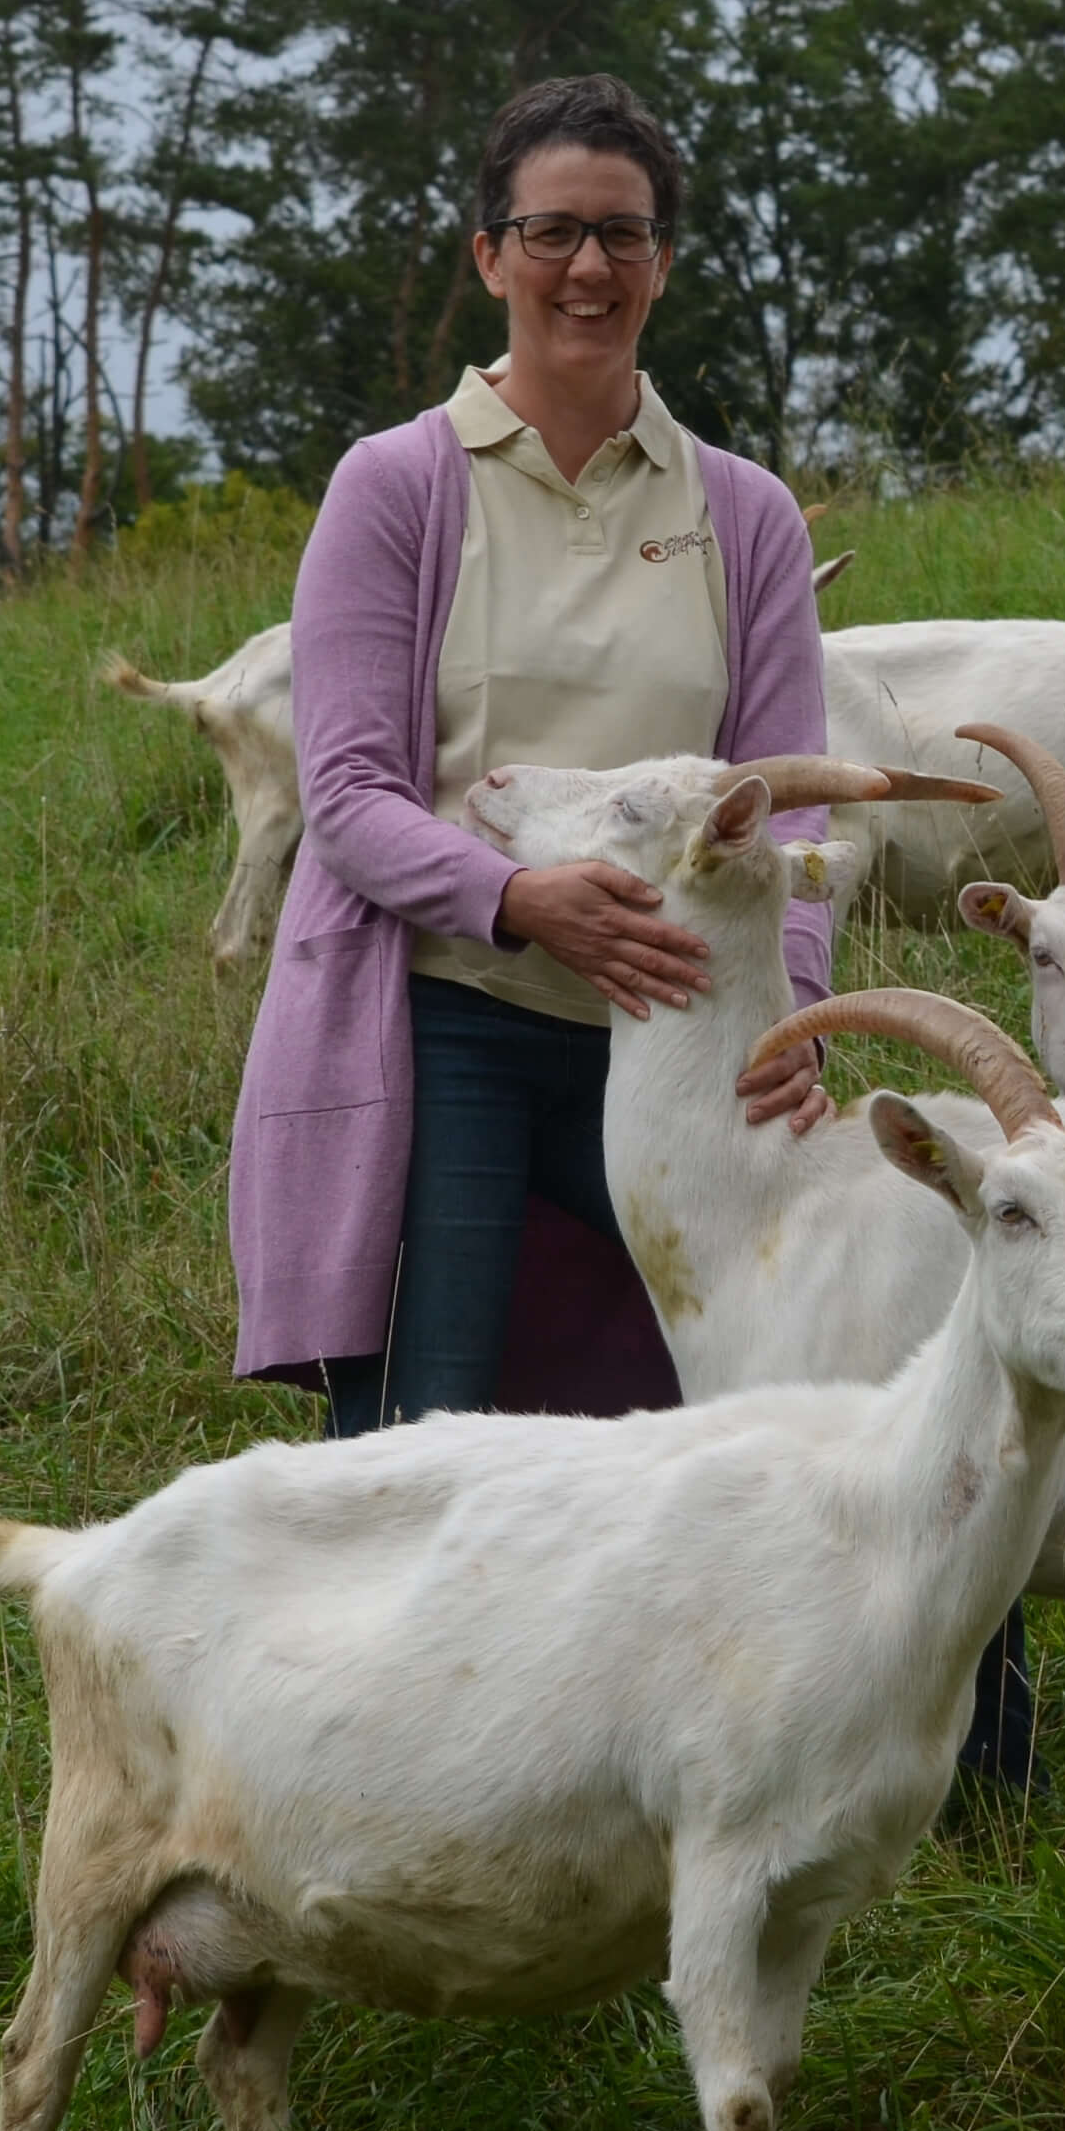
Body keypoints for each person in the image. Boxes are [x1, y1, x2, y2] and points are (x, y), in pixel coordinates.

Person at [225, 73, 837, 1436]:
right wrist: (518, 900)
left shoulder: (745, 514)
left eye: (624, 234)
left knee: (754, 1404)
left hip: (681, 1027)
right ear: (491, 256)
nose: (589, 268)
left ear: (664, 263)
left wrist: (791, 1015)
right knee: (424, 1431)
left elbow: (789, 807)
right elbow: (347, 795)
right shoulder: (397, 487)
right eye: (552, 232)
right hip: (452, 1020)